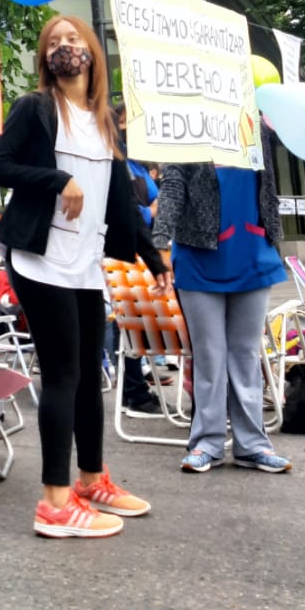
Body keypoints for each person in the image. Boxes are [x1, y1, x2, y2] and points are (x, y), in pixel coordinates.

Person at [0, 15, 169, 539]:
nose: (65, 48)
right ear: (45, 59)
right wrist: (58, 177)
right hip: (40, 263)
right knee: (64, 375)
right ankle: (54, 504)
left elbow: (121, 202)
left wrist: (153, 259)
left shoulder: (105, 122)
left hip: (86, 266)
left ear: (92, 53)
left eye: (74, 41)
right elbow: (0, 168)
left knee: (91, 376)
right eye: (55, 43)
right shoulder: (36, 109)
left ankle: (92, 480)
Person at [153, 124, 293, 475]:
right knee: (209, 354)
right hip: (199, 256)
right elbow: (172, 187)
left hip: (252, 251)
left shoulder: (258, 127)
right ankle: (207, 443)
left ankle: (253, 445)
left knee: (245, 353)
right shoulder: (183, 127)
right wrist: (159, 243)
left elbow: (295, 146)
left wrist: (276, 121)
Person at [110, 105, 166, 416]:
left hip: (148, 247)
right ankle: (134, 390)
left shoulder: (138, 165)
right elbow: (129, 209)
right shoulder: (117, 160)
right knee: (129, 321)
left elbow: (159, 201)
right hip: (124, 251)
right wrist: (150, 211)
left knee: (142, 321)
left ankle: (136, 387)